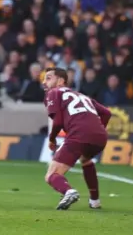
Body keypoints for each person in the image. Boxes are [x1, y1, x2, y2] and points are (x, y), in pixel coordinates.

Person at [43, 67, 110, 211]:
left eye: (48, 78)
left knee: (52, 175)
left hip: (78, 135)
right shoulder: (81, 95)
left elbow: (58, 122)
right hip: (100, 138)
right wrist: (96, 129)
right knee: (86, 160)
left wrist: (52, 139)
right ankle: (95, 201)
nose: (44, 82)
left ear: (61, 81)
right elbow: (106, 113)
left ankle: (69, 192)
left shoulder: (53, 92)